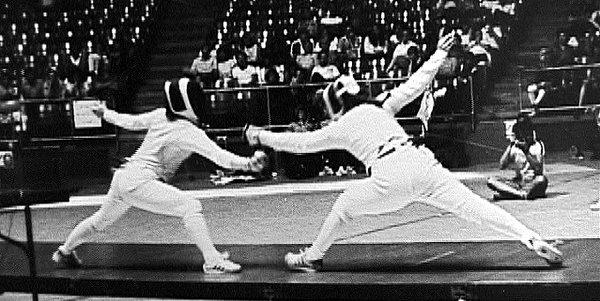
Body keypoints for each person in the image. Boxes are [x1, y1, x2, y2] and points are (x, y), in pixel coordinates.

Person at [245, 33, 563, 272]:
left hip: (389, 178)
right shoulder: (380, 107)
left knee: (344, 204)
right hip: (419, 162)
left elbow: (300, 144)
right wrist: (439, 53)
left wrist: (260, 135)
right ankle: (531, 237)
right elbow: (415, 84)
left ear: (334, 107)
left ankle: (312, 257)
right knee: (473, 206)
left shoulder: (341, 126)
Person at [52, 78, 268, 273]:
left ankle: (64, 252)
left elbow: (130, 122)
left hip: (124, 177)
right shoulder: (188, 131)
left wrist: (105, 113)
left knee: (99, 221)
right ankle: (211, 260)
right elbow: (220, 157)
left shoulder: (160, 116)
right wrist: (248, 164)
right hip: (139, 181)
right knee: (190, 206)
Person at [487, 113, 548, 200]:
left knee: (542, 179)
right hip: (519, 184)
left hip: (533, 182)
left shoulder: (538, 144)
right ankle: (520, 195)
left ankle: (510, 195)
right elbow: (502, 165)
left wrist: (526, 151)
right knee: (491, 180)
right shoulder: (514, 146)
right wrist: (510, 146)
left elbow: (538, 169)